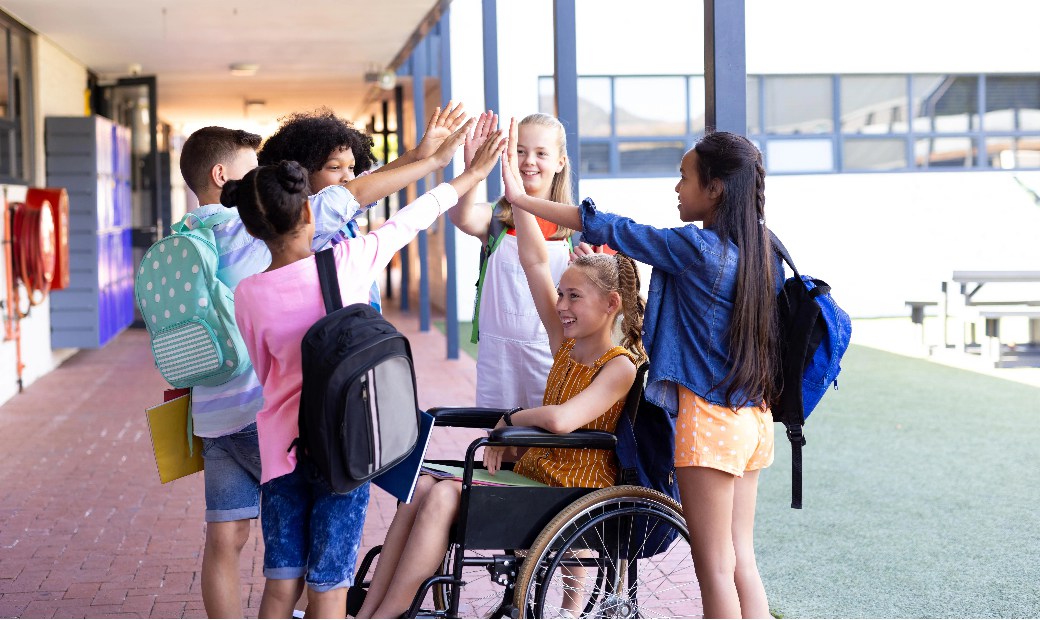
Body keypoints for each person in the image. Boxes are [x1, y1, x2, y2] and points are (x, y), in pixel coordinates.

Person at [355, 118, 647, 620]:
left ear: (611, 305)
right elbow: (535, 262)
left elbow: (558, 422)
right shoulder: (566, 345)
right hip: (534, 469)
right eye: (561, 295)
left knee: (444, 495)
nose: (560, 305)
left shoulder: (619, 365)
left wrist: (511, 421)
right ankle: (368, 614)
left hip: (564, 488)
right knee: (418, 488)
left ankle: (384, 617)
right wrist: (514, 192)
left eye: (573, 296)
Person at [502, 127, 781, 619]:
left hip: (711, 421)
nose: (678, 187)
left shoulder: (698, 250)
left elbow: (611, 228)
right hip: (753, 420)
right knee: (741, 561)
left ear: (714, 188)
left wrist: (523, 200)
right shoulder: (762, 251)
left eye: (685, 177)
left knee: (714, 565)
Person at [229, 121, 504, 619]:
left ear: (253, 228)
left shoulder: (246, 294)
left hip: (279, 452)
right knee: (329, 587)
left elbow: (266, 373)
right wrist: (471, 174)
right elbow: (417, 215)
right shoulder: (347, 261)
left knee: (279, 584)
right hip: (343, 448)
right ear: (310, 210)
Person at [258, 103, 469, 310]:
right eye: (334, 167)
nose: (348, 176)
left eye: (351, 167)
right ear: (301, 171)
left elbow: (367, 185)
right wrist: (434, 162)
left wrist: (416, 156)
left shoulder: (340, 214)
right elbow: (358, 192)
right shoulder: (305, 217)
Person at [448, 112, 579, 410]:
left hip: (553, 355)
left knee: (542, 446)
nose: (528, 161)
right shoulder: (495, 218)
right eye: (519, 151)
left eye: (541, 153)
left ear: (560, 162)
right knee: (499, 445)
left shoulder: (576, 229)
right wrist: (473, 170)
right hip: (499, 358)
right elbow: (462, 217)